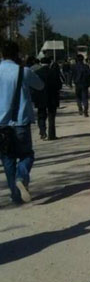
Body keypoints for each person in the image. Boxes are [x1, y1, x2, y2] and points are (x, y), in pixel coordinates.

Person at [0, 41, 44, 204]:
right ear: (17, 54)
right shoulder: (23, 72)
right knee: (26, 155)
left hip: (1, 124)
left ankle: (15, 195)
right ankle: (21, 175)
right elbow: (40, 86)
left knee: (7, 159)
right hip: (20, 122)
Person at [34, 56, 62, 140]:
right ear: (50, 63)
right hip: (52, 97)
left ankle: (42, 132)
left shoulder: (36, 73)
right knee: (51, 116)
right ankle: (51, 135)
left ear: (40, 63)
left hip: (40, 97)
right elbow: (59, 85)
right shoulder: (54, 72)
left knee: (41, 115)